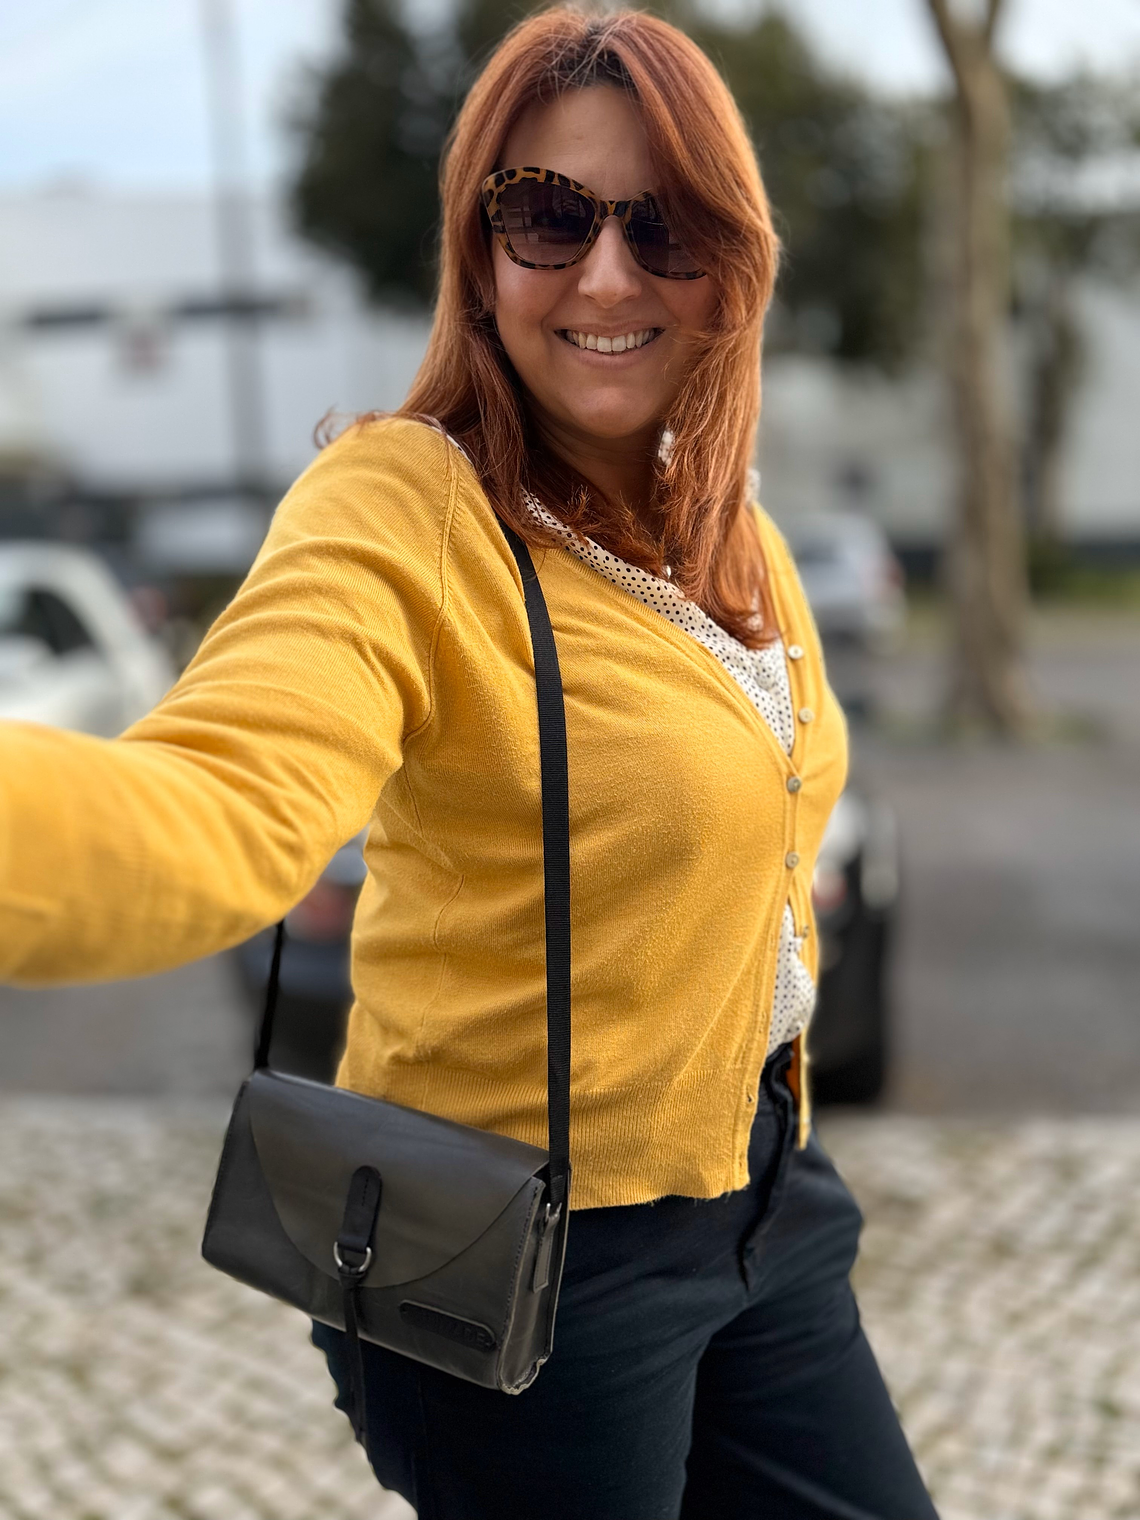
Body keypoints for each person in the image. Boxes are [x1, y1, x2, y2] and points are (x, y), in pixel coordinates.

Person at [0, 8, 938, 1518]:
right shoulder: (401, 507)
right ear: (479, 248)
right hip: (528, 1259)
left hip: (768, 1200)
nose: (608, 275)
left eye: (665, 226)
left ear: (733, 261)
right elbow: (219, 804)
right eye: (549, 216)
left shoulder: (736, 533)